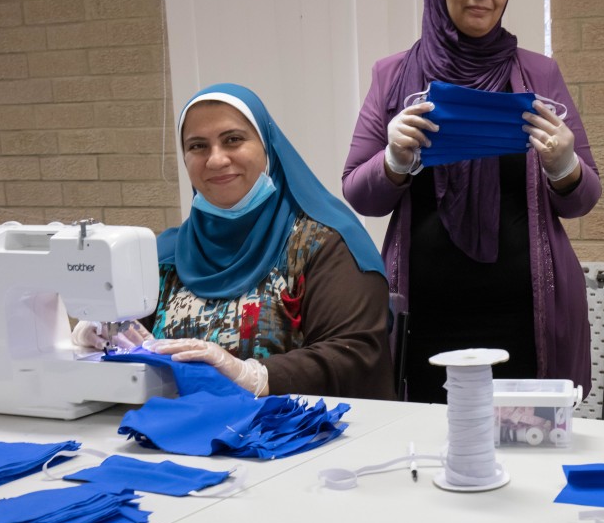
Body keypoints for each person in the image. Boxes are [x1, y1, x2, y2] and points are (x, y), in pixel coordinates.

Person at [342, 0, 600, 403]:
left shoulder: (537, 73)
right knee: (427, 451)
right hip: (425, 311)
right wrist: (394, 160)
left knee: (526, 453)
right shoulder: (394, 75)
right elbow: (359, 192)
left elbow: (583, 199)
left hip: (525, 311)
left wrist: (564, 165)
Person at [74, 83, 394, 401]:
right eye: (197, 146)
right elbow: (128, 341)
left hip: (294, 437)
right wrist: (100, 332)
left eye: (233, 140)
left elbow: (352, 355)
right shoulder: (165, 256)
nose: (216, 160)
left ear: (268, 147)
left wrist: (255, 376)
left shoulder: (325, 246)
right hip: (176, 435)